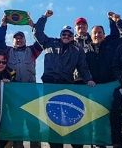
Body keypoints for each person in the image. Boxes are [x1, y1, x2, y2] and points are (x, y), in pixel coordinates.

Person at [34, 10, 95, 148]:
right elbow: (37, 32)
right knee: (53, 120)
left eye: (69, 34)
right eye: (64, 34)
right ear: (60, 35)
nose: (66, 36)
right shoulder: (49, 42)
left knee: (71, 118)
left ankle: (76, 144)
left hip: (66, 86)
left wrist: (89, 80)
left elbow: (83, 68)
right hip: (49, 86)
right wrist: (44, 17)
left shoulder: (77, 50)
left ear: (73, 36)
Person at [0, 14, 43, 148]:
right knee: (16, 125)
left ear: (25, 40)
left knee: (33, 124)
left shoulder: (32, 51)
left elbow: (41, 41)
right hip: (13, 95)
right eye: (16, 38)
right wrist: (3, 25)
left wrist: (33, 27)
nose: (19, 40)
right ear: (13, 40)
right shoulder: (7, 52)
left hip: (31, 93)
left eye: (21, 38)